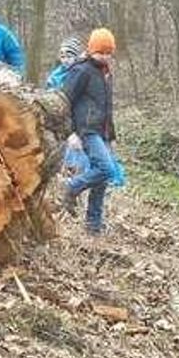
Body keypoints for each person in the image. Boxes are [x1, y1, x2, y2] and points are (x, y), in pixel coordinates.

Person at [61, 28, 117, 234]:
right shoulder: (81, 70)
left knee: (102, 180)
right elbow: (64, 102)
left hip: (102, 131)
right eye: (100, 52)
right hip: (85, 129)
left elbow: (107, 106)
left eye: (108, 53)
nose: (104, 56)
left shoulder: (106, 72)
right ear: (91, 50)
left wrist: (112, 135)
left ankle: (93, 224)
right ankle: (71, 187)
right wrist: (70, 132)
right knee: (106, 169)